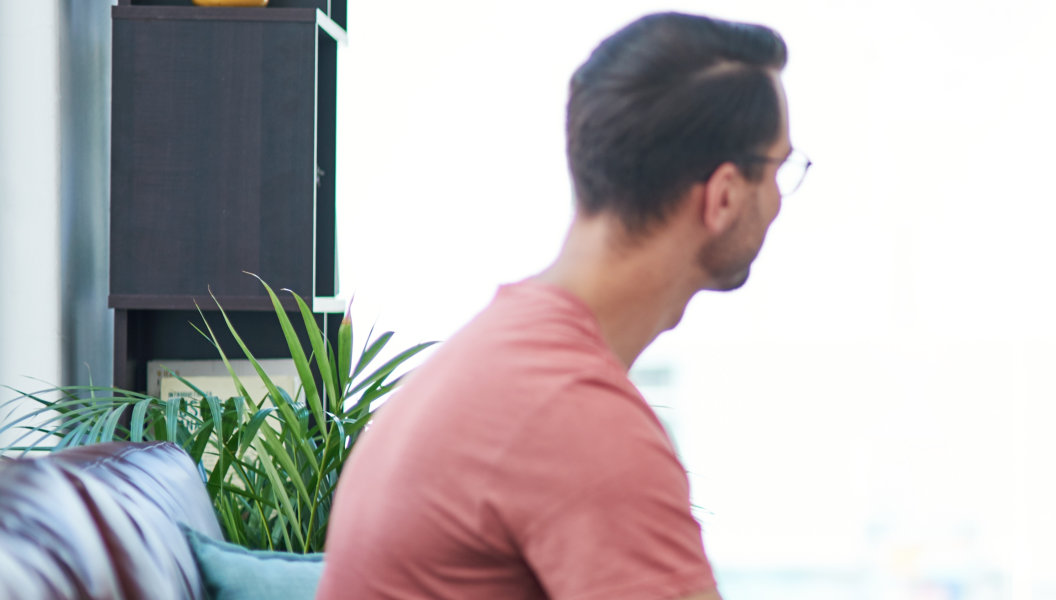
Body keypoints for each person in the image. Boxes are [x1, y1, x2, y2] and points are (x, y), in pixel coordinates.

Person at [318, 12, 808, 599]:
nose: (781, 198)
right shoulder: (580, 422)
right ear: (724, 196)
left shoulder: (504, 354)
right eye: (782, 167)